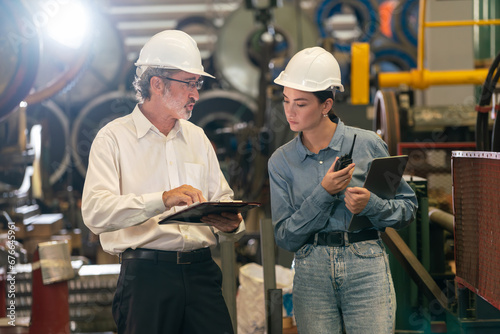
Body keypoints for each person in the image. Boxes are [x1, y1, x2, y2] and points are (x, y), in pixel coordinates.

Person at [81, 30, 245, 334]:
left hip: (202, 275)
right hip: (146, 280)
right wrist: (163, 199)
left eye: (197, 84)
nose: (196, 94)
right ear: (157, 84)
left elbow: (222, 197)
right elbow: (95, 212)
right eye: (189, 84)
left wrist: (231, 223)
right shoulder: (113, 139)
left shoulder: (196, 137)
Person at [268, 47, 418, 333]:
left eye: (300, 104)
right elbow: (286, 237)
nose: (289, 111)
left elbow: (407, 210)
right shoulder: (282, 161)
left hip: (366, 267)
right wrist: (324, 193)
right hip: (311, 272)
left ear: (326, 105)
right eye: (286, 101)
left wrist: (371, 204)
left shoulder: (368, 145)